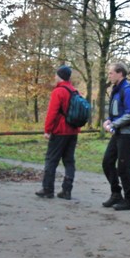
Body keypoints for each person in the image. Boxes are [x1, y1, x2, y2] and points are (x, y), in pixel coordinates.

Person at [35, 66, 81, 200]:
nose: (55, 77)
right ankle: (67, 190)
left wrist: (47, 130)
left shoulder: (58, 91)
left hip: (60, 131)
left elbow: (52, 113)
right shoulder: (75, 91)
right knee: (69, 161)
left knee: (51, 159)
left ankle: (48, 189)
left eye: (56, 75)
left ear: (60, 76)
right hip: (73, 131)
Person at [102, 62, 130, 211]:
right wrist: (108, 120)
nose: (109, 75)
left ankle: (129, 200)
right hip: (118, 133)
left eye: (111, 73)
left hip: (127, 134)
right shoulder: (116, 90)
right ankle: (116, 194)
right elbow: (116, 112)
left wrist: (114, 124)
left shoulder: (128, 90)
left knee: (124, 167)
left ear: (120, 73)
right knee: (107, 162)